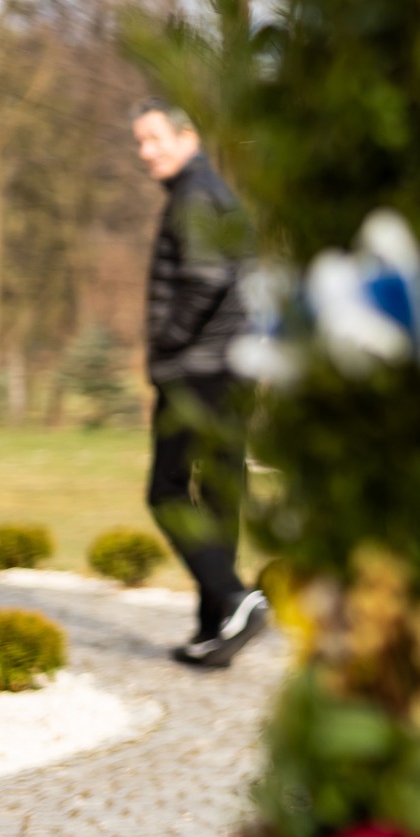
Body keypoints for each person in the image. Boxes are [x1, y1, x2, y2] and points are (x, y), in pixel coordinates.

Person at [133, 98, 268, 668]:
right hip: (232, 367)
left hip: (199, 372)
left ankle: (238, 599)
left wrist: (166, 340)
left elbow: (206, 277)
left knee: (165, 491)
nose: (146, 152)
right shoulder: (211, 190)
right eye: (140, 142)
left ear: (188, 135)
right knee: (216, 496)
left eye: (155, 138)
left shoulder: (193, 194)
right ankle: (216, 630)